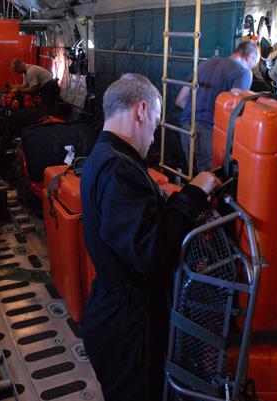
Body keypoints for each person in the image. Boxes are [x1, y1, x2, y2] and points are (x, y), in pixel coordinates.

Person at [80, 73, 220, 401]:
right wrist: (193, 194)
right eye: (155, 124)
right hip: (130, 328)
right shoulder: (119, 169)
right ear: (141, 110)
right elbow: (150, 250)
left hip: (117, 313)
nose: (154, 137)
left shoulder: (103, 157)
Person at [176, 41, 259, 173]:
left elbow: (180, 100)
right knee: (209, 185)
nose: (253, 69)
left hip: (186, 129)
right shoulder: (244, 72)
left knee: (193, 181)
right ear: (249, 58)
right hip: (210, 134)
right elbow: (234, 109)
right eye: (254, 64)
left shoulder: (204, 64)